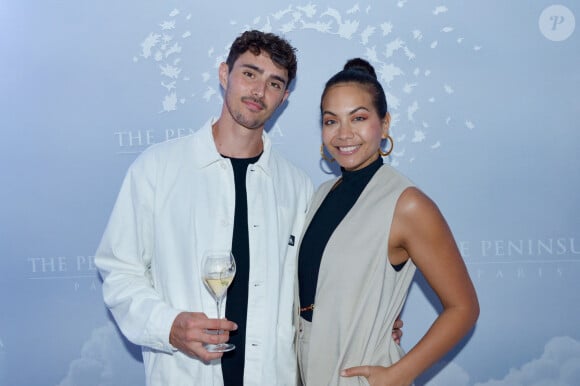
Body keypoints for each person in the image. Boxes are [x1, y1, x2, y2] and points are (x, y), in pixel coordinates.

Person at [95, 30, 313, 386]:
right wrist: (168, 326)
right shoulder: (157, 168)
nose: (259, 91)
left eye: (274, 83)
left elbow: (311, 290)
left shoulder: (297, 186)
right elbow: (119, 271)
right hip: (183, 375)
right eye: (249, 74)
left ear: (284, 97)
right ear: (224, 74)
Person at [296, 58, 480, 386]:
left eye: (359, 118)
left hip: (360, 375)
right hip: (307, 370)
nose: (344, 134)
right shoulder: (321, 194)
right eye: (331, 121)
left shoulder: (407, 204)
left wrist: (399, 374)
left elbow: (463, 308)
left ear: (384, 125)